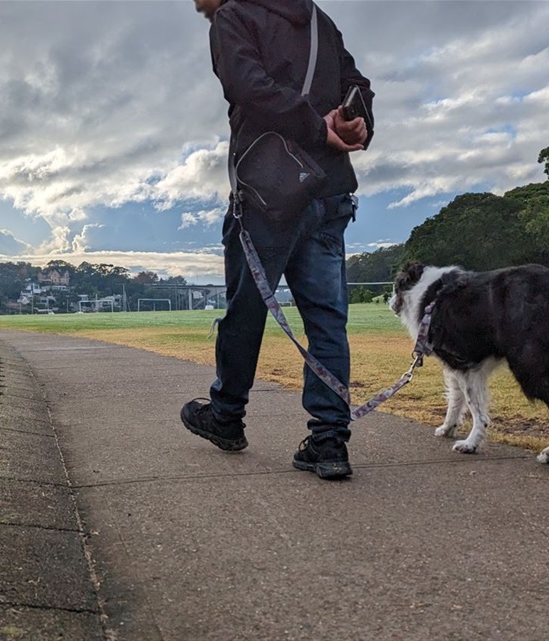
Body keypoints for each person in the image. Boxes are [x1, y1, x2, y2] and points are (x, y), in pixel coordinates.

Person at [182, 0, 373, 480]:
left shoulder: (234, 17)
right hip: (329, 192)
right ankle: (330, 440)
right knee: (328, 322)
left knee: (245, 313)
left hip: (269, 193)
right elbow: (358, 87)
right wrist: (356, 120)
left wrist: (318, 128)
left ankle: (226, 417)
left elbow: (248, 88)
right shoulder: (318, 20)